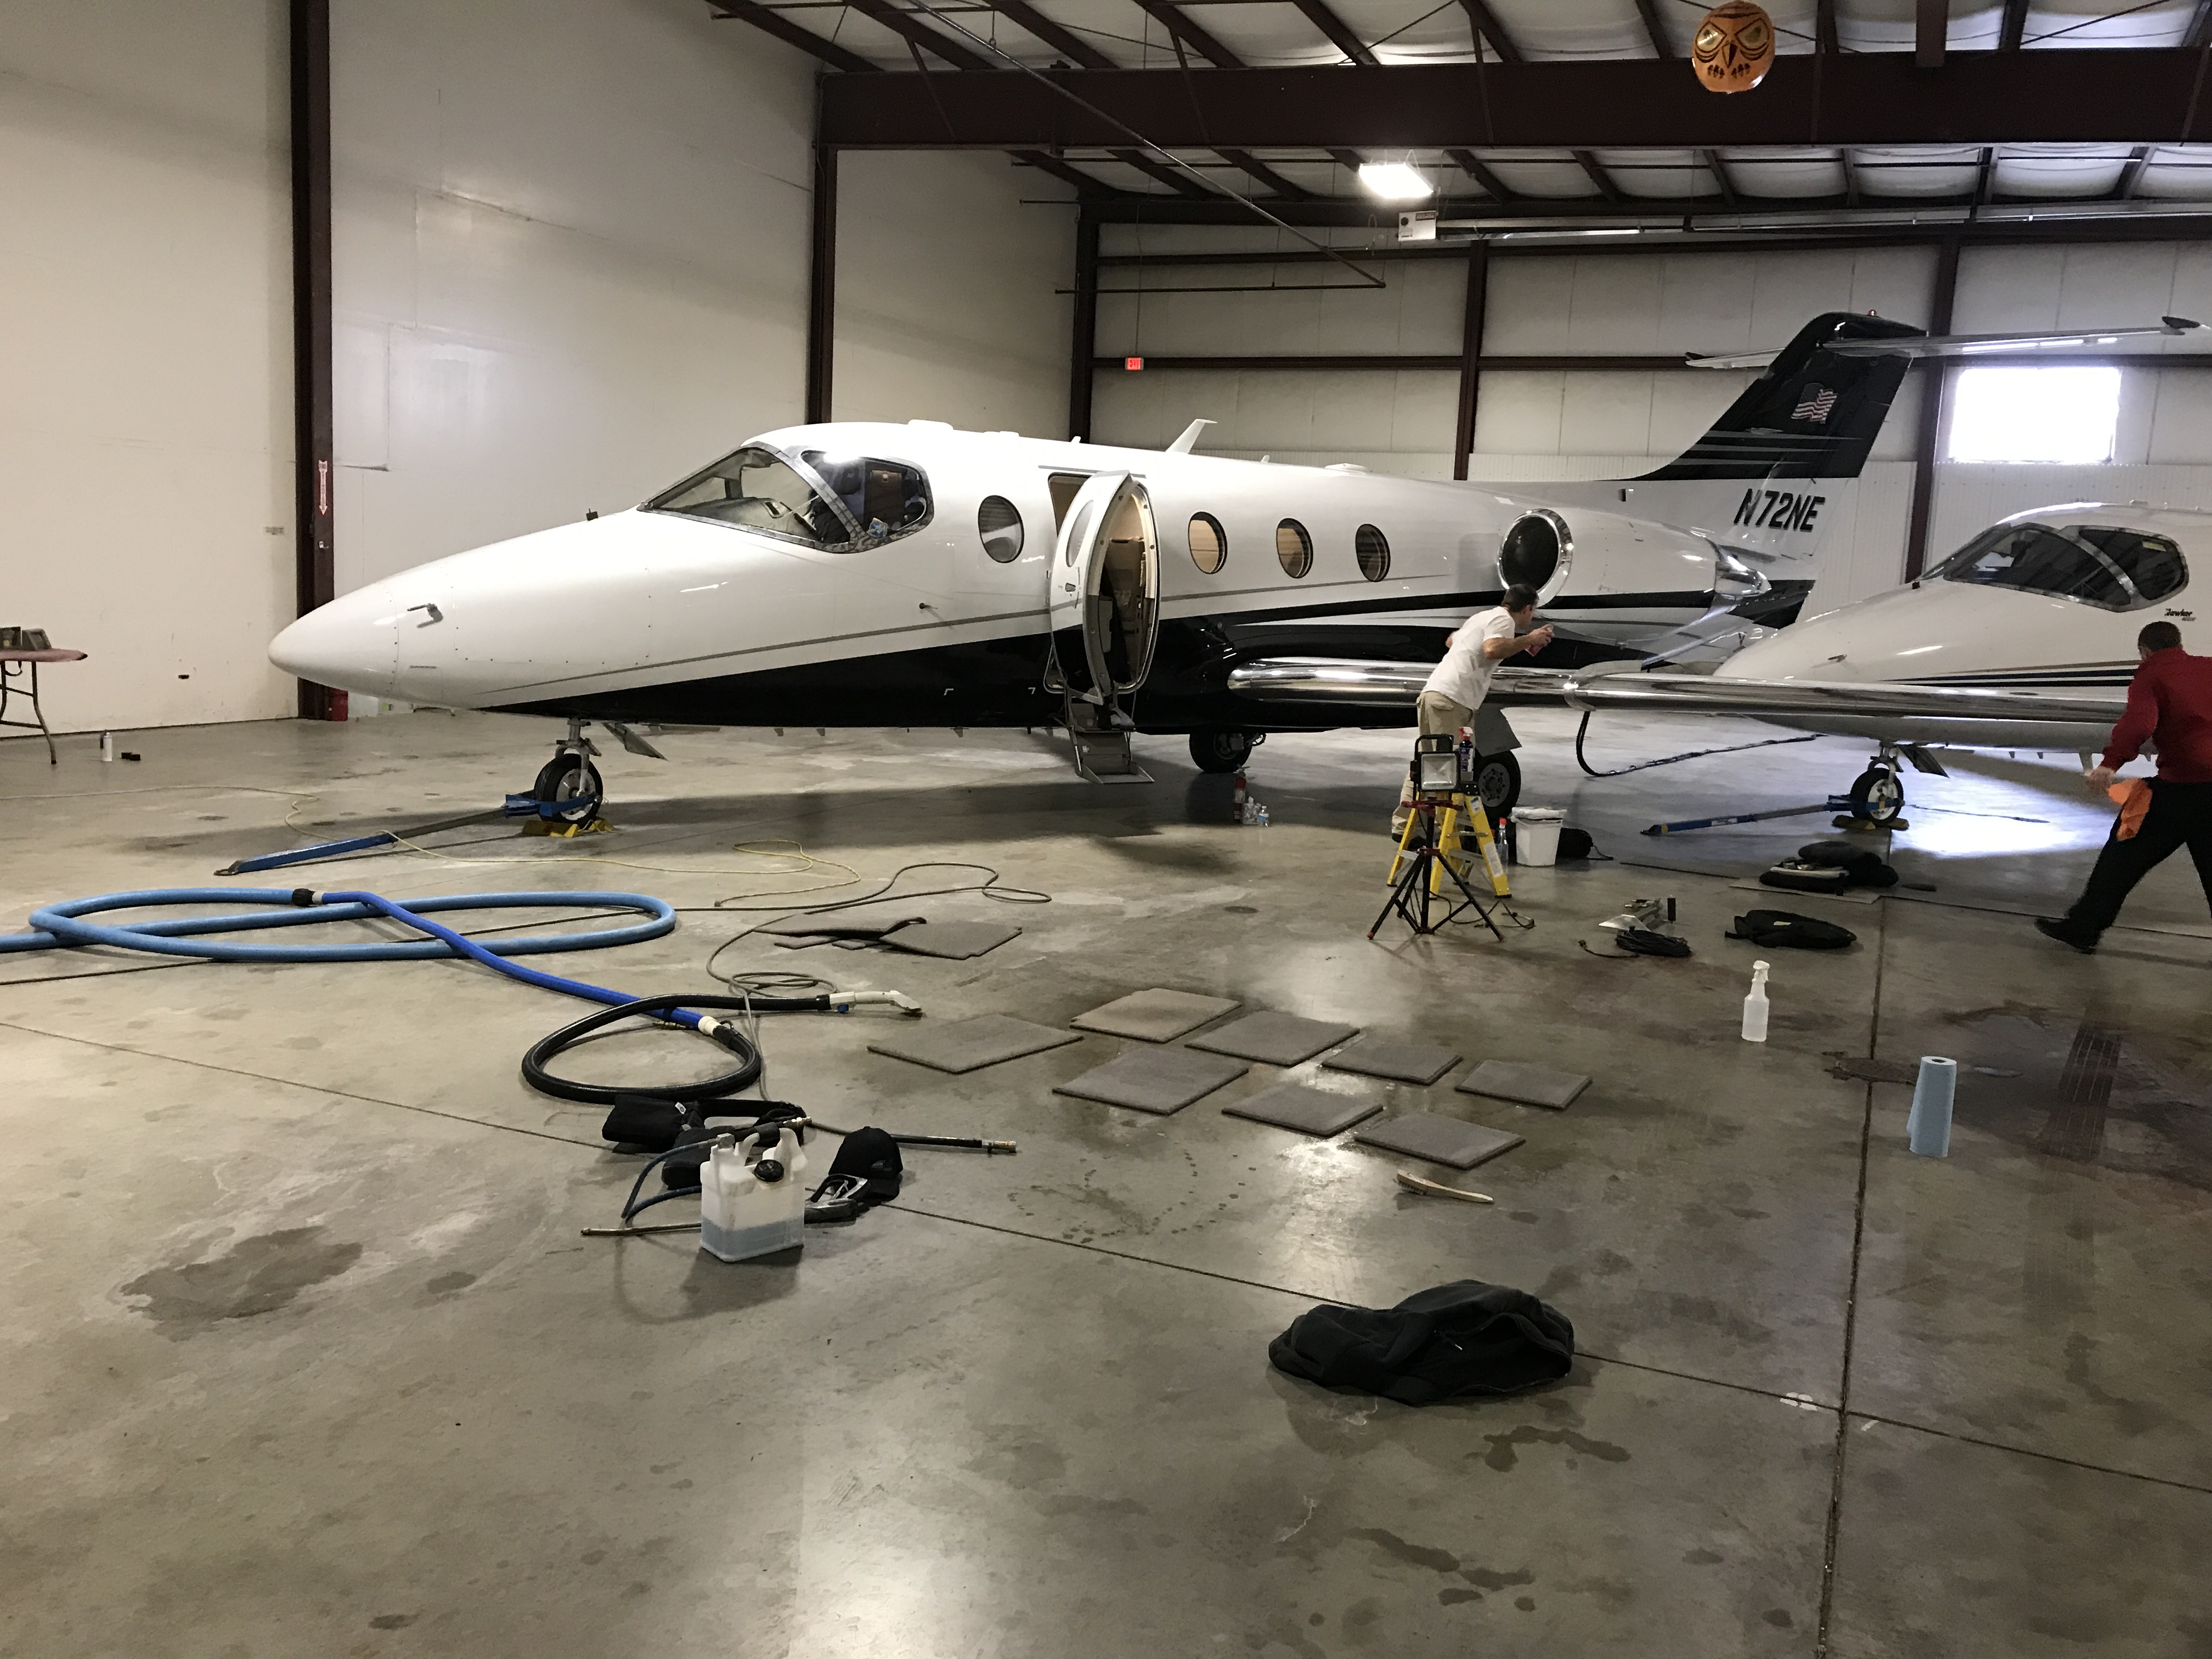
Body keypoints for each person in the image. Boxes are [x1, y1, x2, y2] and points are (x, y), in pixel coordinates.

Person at [2036, 620, 2212, 952]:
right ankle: (2083, 927)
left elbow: (2139, 723)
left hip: (2177, 789)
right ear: (2179, 644)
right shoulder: (2208, 667)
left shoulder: (2151, 675)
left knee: (2121, 857)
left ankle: (2084, 928)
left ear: (2144, 652)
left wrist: (2110, 764)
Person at [1390, 584, 1554, 839]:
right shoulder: (1504, 620)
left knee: (1427, 763)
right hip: (1453, 701)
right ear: (1526, 608)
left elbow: (1451, 641)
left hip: (1434, 694)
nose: (1532, 618)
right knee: (1452, 770)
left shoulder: (1481, 617)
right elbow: (1492, 649)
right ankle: (1448, 832)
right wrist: (1529, 640)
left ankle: (1403, 827)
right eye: (1533, 611)